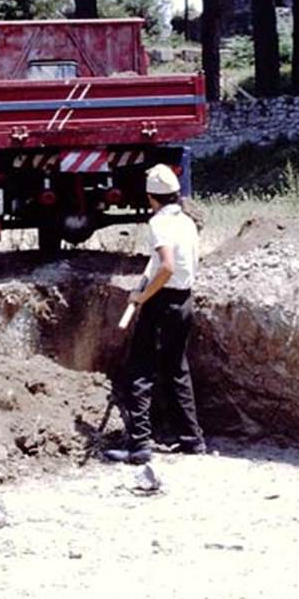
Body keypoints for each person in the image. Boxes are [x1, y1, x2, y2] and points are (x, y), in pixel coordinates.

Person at [104, 164, 205, 464]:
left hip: (161, 303)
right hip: (184, 301)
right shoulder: (186, 221)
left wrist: (143, 295)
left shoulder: (159, 223)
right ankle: (192, 440)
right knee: (176, 369)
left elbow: (167, 266)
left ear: (151, 197)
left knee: (141, 371)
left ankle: (139, 446)